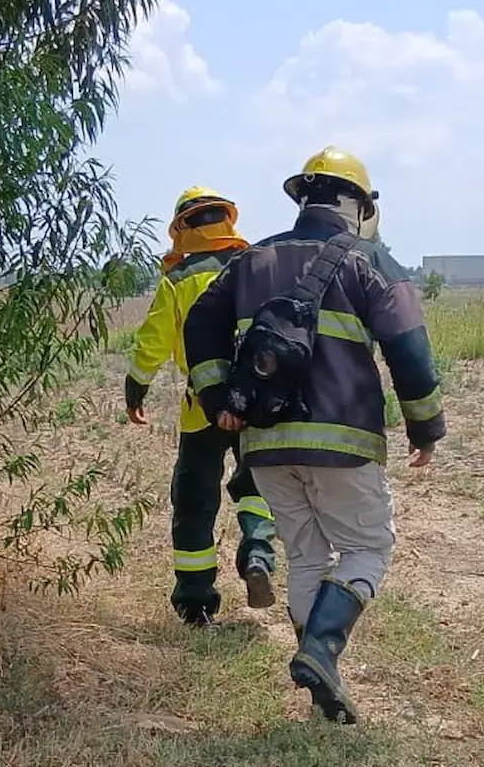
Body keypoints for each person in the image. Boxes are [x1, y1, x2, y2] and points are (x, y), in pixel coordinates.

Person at [182, 146, 446, 724]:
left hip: (266, 443)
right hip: (344, 445)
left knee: (305, 558)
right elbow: (410, 351)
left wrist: (217, 397)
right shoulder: (370, 261)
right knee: (367, 549)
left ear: (302, 199)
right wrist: (426, 426)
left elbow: (199, 322)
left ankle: (319, 679)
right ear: (354, 202)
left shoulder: (250, 260)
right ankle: (322, 649)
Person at [124, 187, 278, 628]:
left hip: (202, 408)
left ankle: (195, 605)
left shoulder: (179, 279)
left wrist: (136, 386)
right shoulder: (258, 268)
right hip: (260, 403)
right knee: (258, 485)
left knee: (194, 500)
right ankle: (259, 553)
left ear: (183, 228)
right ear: (226, 222)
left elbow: (153, 340)